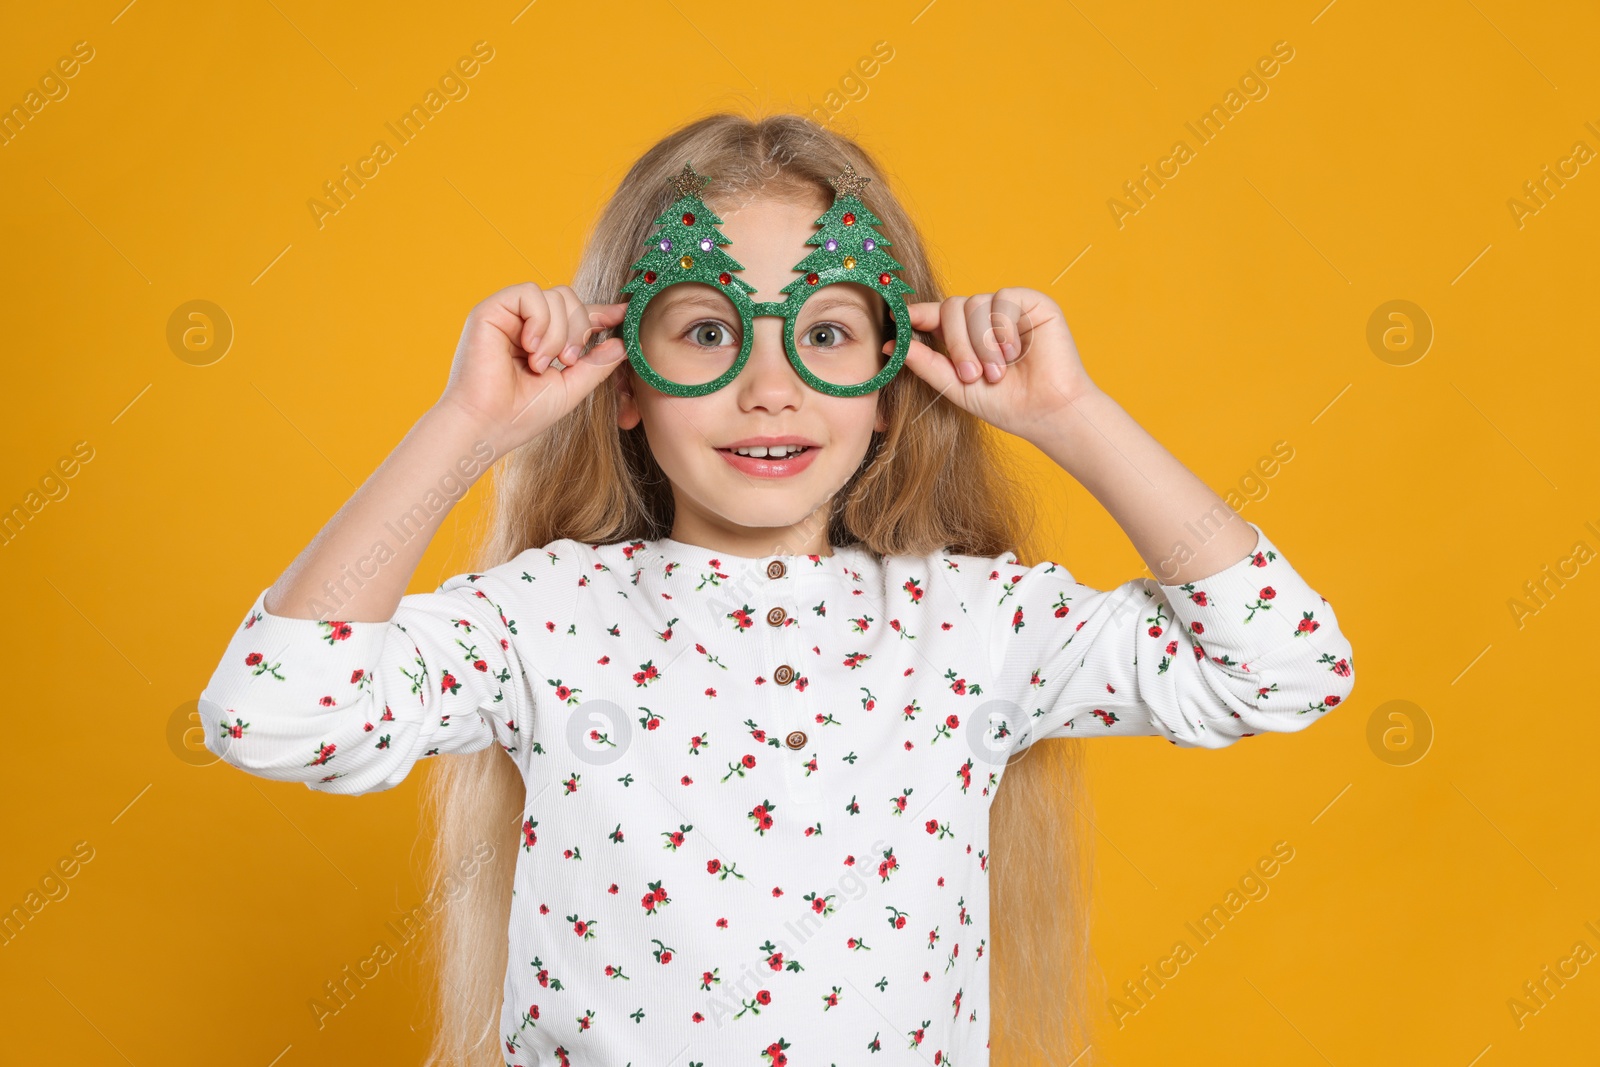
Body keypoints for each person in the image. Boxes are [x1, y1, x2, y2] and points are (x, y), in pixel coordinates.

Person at [198, 112, 1355, 1067]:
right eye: (707, 332)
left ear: (891, 384)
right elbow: (276, 711)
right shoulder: (541, 618)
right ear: (623, 381)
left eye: (826, 334)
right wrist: (467, 429)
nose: (767, 390)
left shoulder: (971, 624)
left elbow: (1288, 665)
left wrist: (1070, 418)